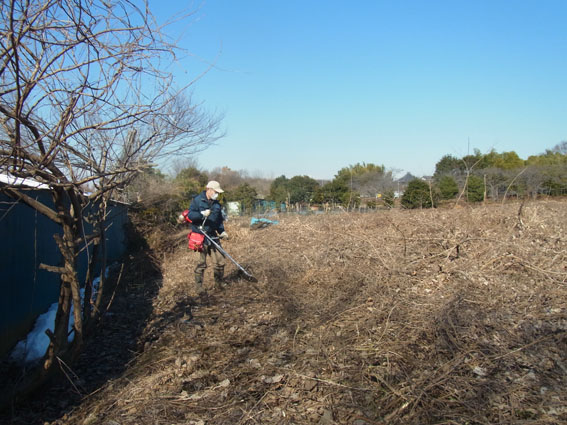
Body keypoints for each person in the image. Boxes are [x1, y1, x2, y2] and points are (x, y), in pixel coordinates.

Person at [187, 181, 228, 294]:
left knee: (220, 261)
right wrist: (201, 214)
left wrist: (222, 231)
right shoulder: (197, 200)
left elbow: (218, 220)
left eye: (218, 193)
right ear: (208, 189)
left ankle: (219, 284)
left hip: (212, 235)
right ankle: (199, 288)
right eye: (215, 192)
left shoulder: (217, 204)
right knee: (201, 263)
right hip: (199, 236)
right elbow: (190, 215)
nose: (217, 195)